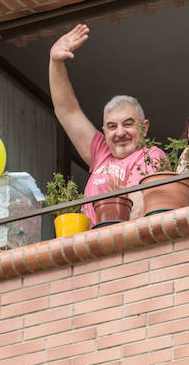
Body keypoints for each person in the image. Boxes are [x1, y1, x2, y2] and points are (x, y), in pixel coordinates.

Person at [48, 23, 164, 224]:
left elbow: (138, 206)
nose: (120, 132)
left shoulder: (150, 155)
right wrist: (55, 62)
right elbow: (67, 110)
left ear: (144, 127)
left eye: (128, 124)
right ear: (104, 131)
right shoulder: (101, 152)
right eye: (112, 126)